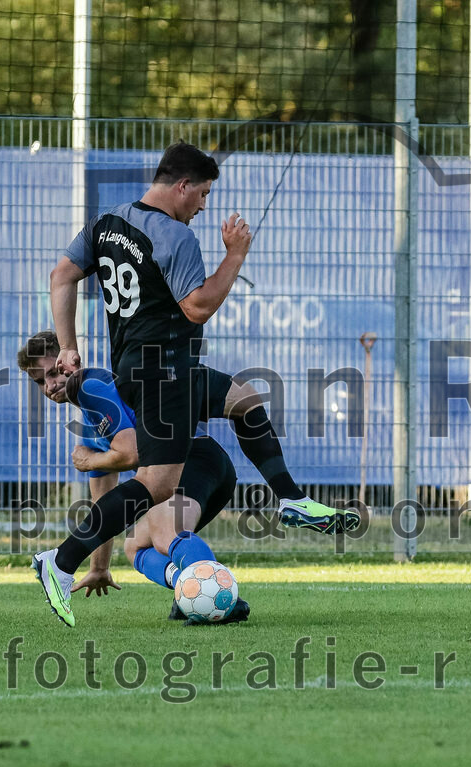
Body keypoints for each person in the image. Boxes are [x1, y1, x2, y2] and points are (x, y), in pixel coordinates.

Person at [44, 143, 358, 578]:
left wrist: (66, 345)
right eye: (204, 194)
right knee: (156, 486)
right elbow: (198, 307)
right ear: (182, 185)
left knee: (244, 400)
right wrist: (234, 255)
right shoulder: (175, 235)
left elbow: (61, 275)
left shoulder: (106, 222)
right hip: (164, 373)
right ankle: (60, 562)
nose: (204, 206)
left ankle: (290, 499)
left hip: (149, 367)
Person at [18, 330, 248, 627]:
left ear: (67, 362)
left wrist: (91, 460)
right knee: (137, 547)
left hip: (194, 459)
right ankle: (187, 587)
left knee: (166, 534)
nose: (50, 385)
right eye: (39, 381)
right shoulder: (90, 425)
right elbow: (105, 504)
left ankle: (221, 599)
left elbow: (133, 452)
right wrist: (99, 568)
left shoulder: (92, 386)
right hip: (207, 468)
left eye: (52, 373)